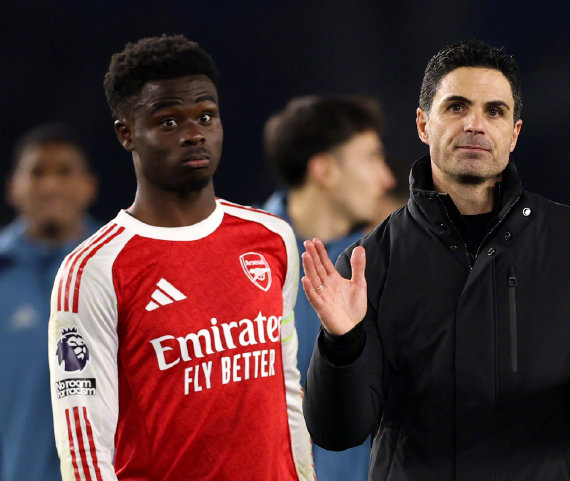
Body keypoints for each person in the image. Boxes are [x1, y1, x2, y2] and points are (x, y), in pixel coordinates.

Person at [300, 39, 570, 480]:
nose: (475, 124)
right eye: (456, 107)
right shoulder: (368, 263)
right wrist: (342, 346)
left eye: (494, 111)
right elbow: (337, 431)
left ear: (514, 133)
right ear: (423, 124)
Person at [48, 35, 314, 481]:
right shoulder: (94, 270)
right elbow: (84, 444)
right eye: (169, 122)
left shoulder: (271, 237)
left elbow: (287, 388)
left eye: (206, 116)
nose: (195, 134)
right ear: (126, 133)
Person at [262, 94, 395, 481]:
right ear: (324, 170)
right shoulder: (232, 259)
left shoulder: (388, 262)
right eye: (372, 158)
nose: (386, 178)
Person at [0, 123, 98, 481]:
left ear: (88, 186)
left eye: (64, 171)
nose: (51, 185)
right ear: (13, 187)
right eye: (38, 172)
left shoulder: (123, 267)